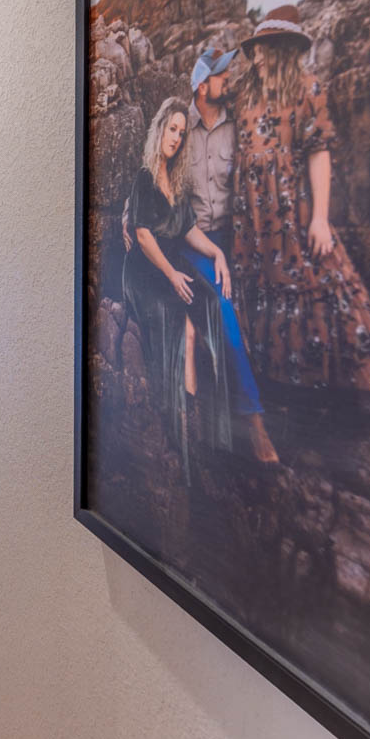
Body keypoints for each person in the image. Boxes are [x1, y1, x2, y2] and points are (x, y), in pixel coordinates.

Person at [231, 5, 370, 394]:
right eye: (254, 50)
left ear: (282, 49)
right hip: (253, 217)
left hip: (292, 210)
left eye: (263, 49)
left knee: (317, 276)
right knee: (266, 286)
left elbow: (319, 152)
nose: (256, 57)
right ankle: (283, 387)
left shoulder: (307, 88)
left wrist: (320, 218)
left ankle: (341, 385)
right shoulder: (245, 93)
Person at [128, 48, 278, 463]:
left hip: (232, 237)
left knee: (267, 304)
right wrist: (130, 220)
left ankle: (278, 400)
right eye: (220, 74)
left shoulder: (236, 125)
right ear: (201, 84)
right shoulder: (181, 132)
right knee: (222, 310)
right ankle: (251, 422)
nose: (228, 79)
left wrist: (228, 252)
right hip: (192, 243)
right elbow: (154, 196)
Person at [123, 97, 240, 482]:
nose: (175, 137)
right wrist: (172, 275)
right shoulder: (144, 177)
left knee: (210, 302)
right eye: (171, 129)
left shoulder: (175, 181)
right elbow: (143, 236)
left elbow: (188, 231)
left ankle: (216, 429)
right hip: (146, 272)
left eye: (181, 132)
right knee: (182, 325)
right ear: (159, 130)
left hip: (171, 265)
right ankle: (183, 422)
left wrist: (217, 253)